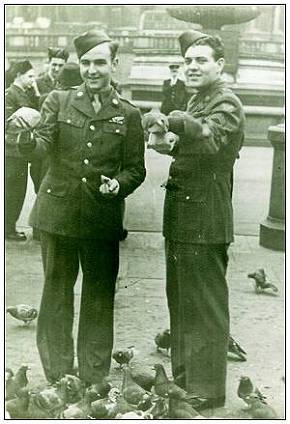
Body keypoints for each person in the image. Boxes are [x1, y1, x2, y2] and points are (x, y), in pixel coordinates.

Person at [16, 30, 146, 385]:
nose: (92, 70)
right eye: (86, 63)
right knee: (56, 293)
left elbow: (136, 168)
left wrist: (119, 184)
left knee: (99, 296)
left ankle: (92, 374)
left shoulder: (130, 115)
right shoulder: (58, 101)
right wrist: (26, 137)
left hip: (101, 217)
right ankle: (59, 373)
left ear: (114, 65)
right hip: (57, 215)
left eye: (100, 63)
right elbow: (42, 144)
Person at [143, 30, 245, 410]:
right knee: (182, 302)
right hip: (185, 214)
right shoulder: (200, 97)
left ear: (220, 64)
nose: (192, 66)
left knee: (204, 305)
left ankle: (207, 390)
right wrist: (167, 140)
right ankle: (186, 382)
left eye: (201, 60)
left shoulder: (226, 103)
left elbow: (212, 138)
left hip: (206, 215)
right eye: (188, 61)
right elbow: (190, 145)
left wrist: (174, 121)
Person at [5, 60, 40, 241]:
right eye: (30, 76)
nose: (33, 80)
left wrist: (35, 91)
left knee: (17, 190)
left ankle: (9, 225)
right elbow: (8, 125)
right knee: (13, 190)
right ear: (18, 75)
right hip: (11, 153)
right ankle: (8, 227)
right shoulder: (10, 95)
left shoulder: (25, 93)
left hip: (19, 152)